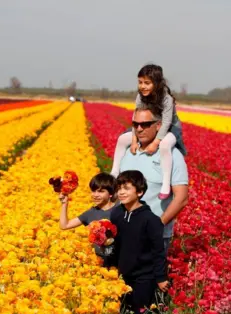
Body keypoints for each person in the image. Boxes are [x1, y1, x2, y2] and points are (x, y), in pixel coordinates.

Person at [114, 105, 189, 255]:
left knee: (149, 278)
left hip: (153, 237)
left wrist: (157, 225)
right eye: (135, 124)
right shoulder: (129, 151)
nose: (139, 129)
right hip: (123, 232)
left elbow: (181, 198)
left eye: (145, 124)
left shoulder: (172, 155)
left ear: (158, 126)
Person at [110, 64, 186, 200]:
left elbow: (167, 122)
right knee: (122, 139)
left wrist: (155, 143)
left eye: (147, 83)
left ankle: (166, 183)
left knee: (165, 146)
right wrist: (134, 140)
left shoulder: (166, 99)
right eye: (140, 82)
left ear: (156, 83)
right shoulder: (140, 97)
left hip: (170, 127)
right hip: (147, 124)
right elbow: (136, 117)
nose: (142, 86)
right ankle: (114, 172)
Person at [111, 171, 168, 314]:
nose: (121, 192)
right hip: (122, 274)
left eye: (127, 188)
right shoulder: (117, 213)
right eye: (119, 188)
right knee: (120, 313)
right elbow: (115, 245)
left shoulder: (151, 220)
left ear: (140, 192)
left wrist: (161, 278)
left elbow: (158, 251)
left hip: (144, 276)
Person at [59, 172, 118, 263]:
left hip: (120, 263)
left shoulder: (121, 210)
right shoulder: (91, 213)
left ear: (111, 193)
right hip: (99, 263)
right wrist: (64, 203)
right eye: (93, 191)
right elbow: (64, 225)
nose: (95, 195)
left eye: (101, 191)